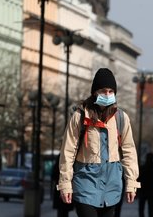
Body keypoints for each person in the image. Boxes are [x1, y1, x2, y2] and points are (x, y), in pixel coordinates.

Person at [57, 68, 141, 217]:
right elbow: (67, 151)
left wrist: (131, 183)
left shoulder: (121, 118)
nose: (107, 95)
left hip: (112, 187)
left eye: (110, 91)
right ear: (95, 92)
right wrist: (65, 184)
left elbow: (129, 151)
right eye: (103, 91)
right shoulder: (80, 116)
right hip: (85, 185)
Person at [137, 153, 153, 217]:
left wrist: (136, 191)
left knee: (141, 209)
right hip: (151, 191)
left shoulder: (142, 168)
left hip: (142, 190)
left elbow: (137, 180)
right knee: (151, 210)